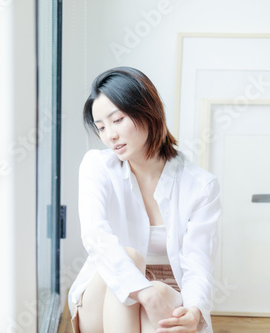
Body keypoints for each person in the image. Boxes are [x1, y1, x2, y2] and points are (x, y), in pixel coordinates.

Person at [68, 67, 221, 333]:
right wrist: (144, 292)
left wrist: (194, 311)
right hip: (102, 289)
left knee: (160, 292)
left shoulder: (200, 185)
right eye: (101, 127)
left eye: (117, 120)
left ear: (148, 112)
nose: (110, 135)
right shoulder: (97, 166)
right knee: (130, 258)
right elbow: (95, 235)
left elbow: (198, 262)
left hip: (170, 288)